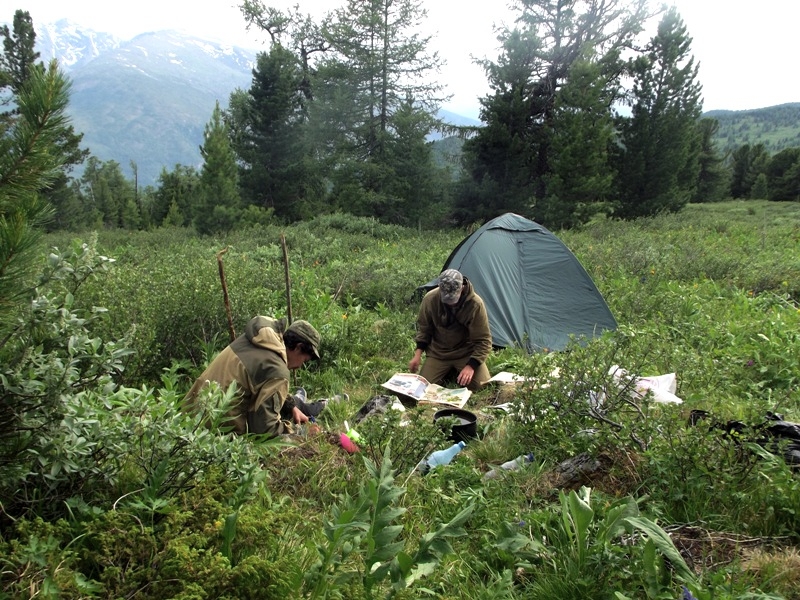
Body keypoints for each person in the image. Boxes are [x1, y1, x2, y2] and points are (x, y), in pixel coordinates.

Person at [184, 315, 328, 437]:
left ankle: (301, 403)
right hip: (214, 436)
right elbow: (264, 429)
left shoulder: (258, 339)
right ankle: (314, 404)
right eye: (304, 360)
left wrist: (291, 407)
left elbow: (256, 382)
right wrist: (301, 432)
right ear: (298, 347)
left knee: (287, 407)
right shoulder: (277, 370)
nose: (300, 366)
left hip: (188, 421)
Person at [408, 269, 492, 391]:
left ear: (462, 288)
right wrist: (417, 355)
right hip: (439, 353)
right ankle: (450, 372)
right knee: (422, 389)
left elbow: (483, 340)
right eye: (446, 299)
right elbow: (424, 329)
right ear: (439, 287)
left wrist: (471, 366)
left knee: (481, 386)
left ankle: (456, 371)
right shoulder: (430, 299)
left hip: (465, 353)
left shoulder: (475, 304)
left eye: (453, 299)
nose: (450, 303)